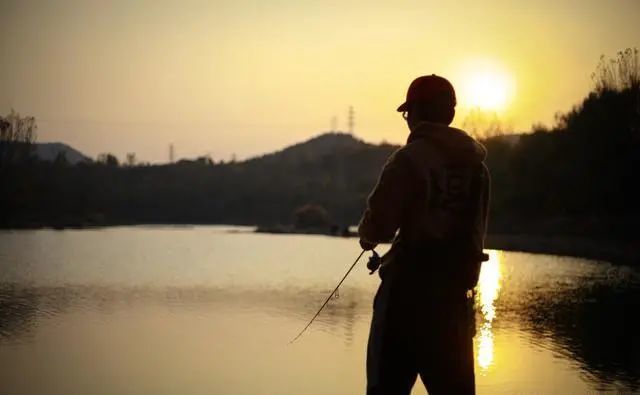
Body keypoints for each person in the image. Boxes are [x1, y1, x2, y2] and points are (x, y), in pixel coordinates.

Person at [358, 74, 491, 395]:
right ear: (450, 113)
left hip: (406, 298)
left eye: (408, 113)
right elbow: (476, 231)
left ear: (416, 113)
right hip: (454, 299)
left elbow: (378, 227)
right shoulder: (478, 168)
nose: (407, 121)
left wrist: (366, 237)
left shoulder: (408, 160)